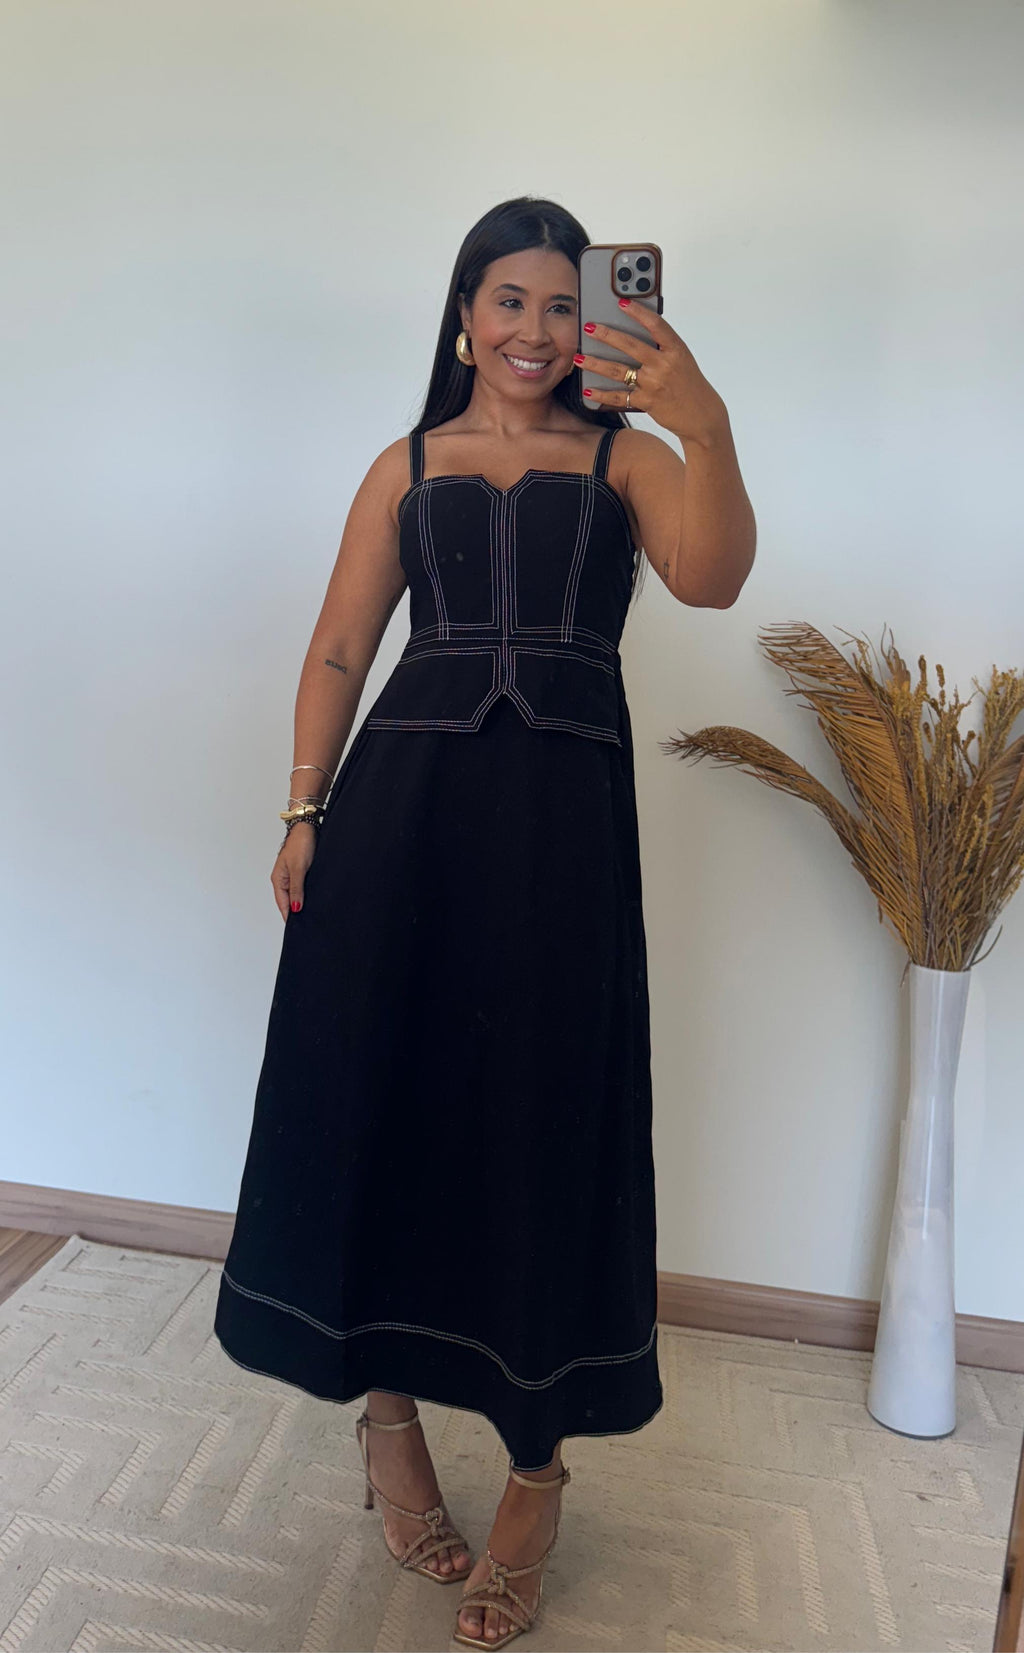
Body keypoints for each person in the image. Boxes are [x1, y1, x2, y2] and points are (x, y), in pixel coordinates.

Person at [214, 195, 756, 1649]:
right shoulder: (405, 465)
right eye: (509, 299)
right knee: (385, 1106)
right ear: (463, 317)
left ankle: (536, 1472)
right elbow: (342, 646)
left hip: (560, 847)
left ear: (596, 322)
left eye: (563, 303)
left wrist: (705, 420)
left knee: (540, 1129)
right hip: (400, 827)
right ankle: (387, 1422)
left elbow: (712, 578)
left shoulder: (631, 459)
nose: (536, 328)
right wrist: (302, 811)